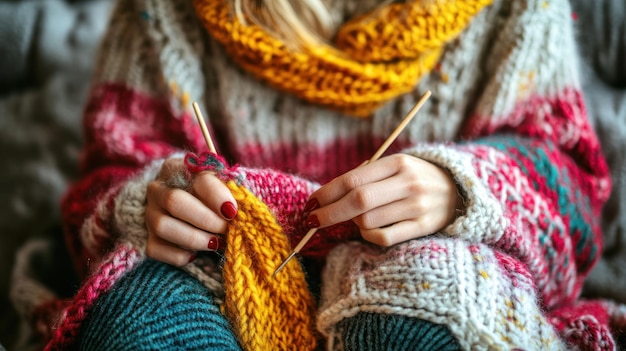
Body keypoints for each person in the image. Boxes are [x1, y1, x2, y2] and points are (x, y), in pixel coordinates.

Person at [17, 0, 626, 350]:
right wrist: (147, 203)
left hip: (431, 257)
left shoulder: (516, 8)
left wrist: (459, 188)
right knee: (141, 322)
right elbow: (106, 178)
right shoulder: (164, 11)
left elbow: (567, 183)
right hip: (222, 263)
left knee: (428, 320)